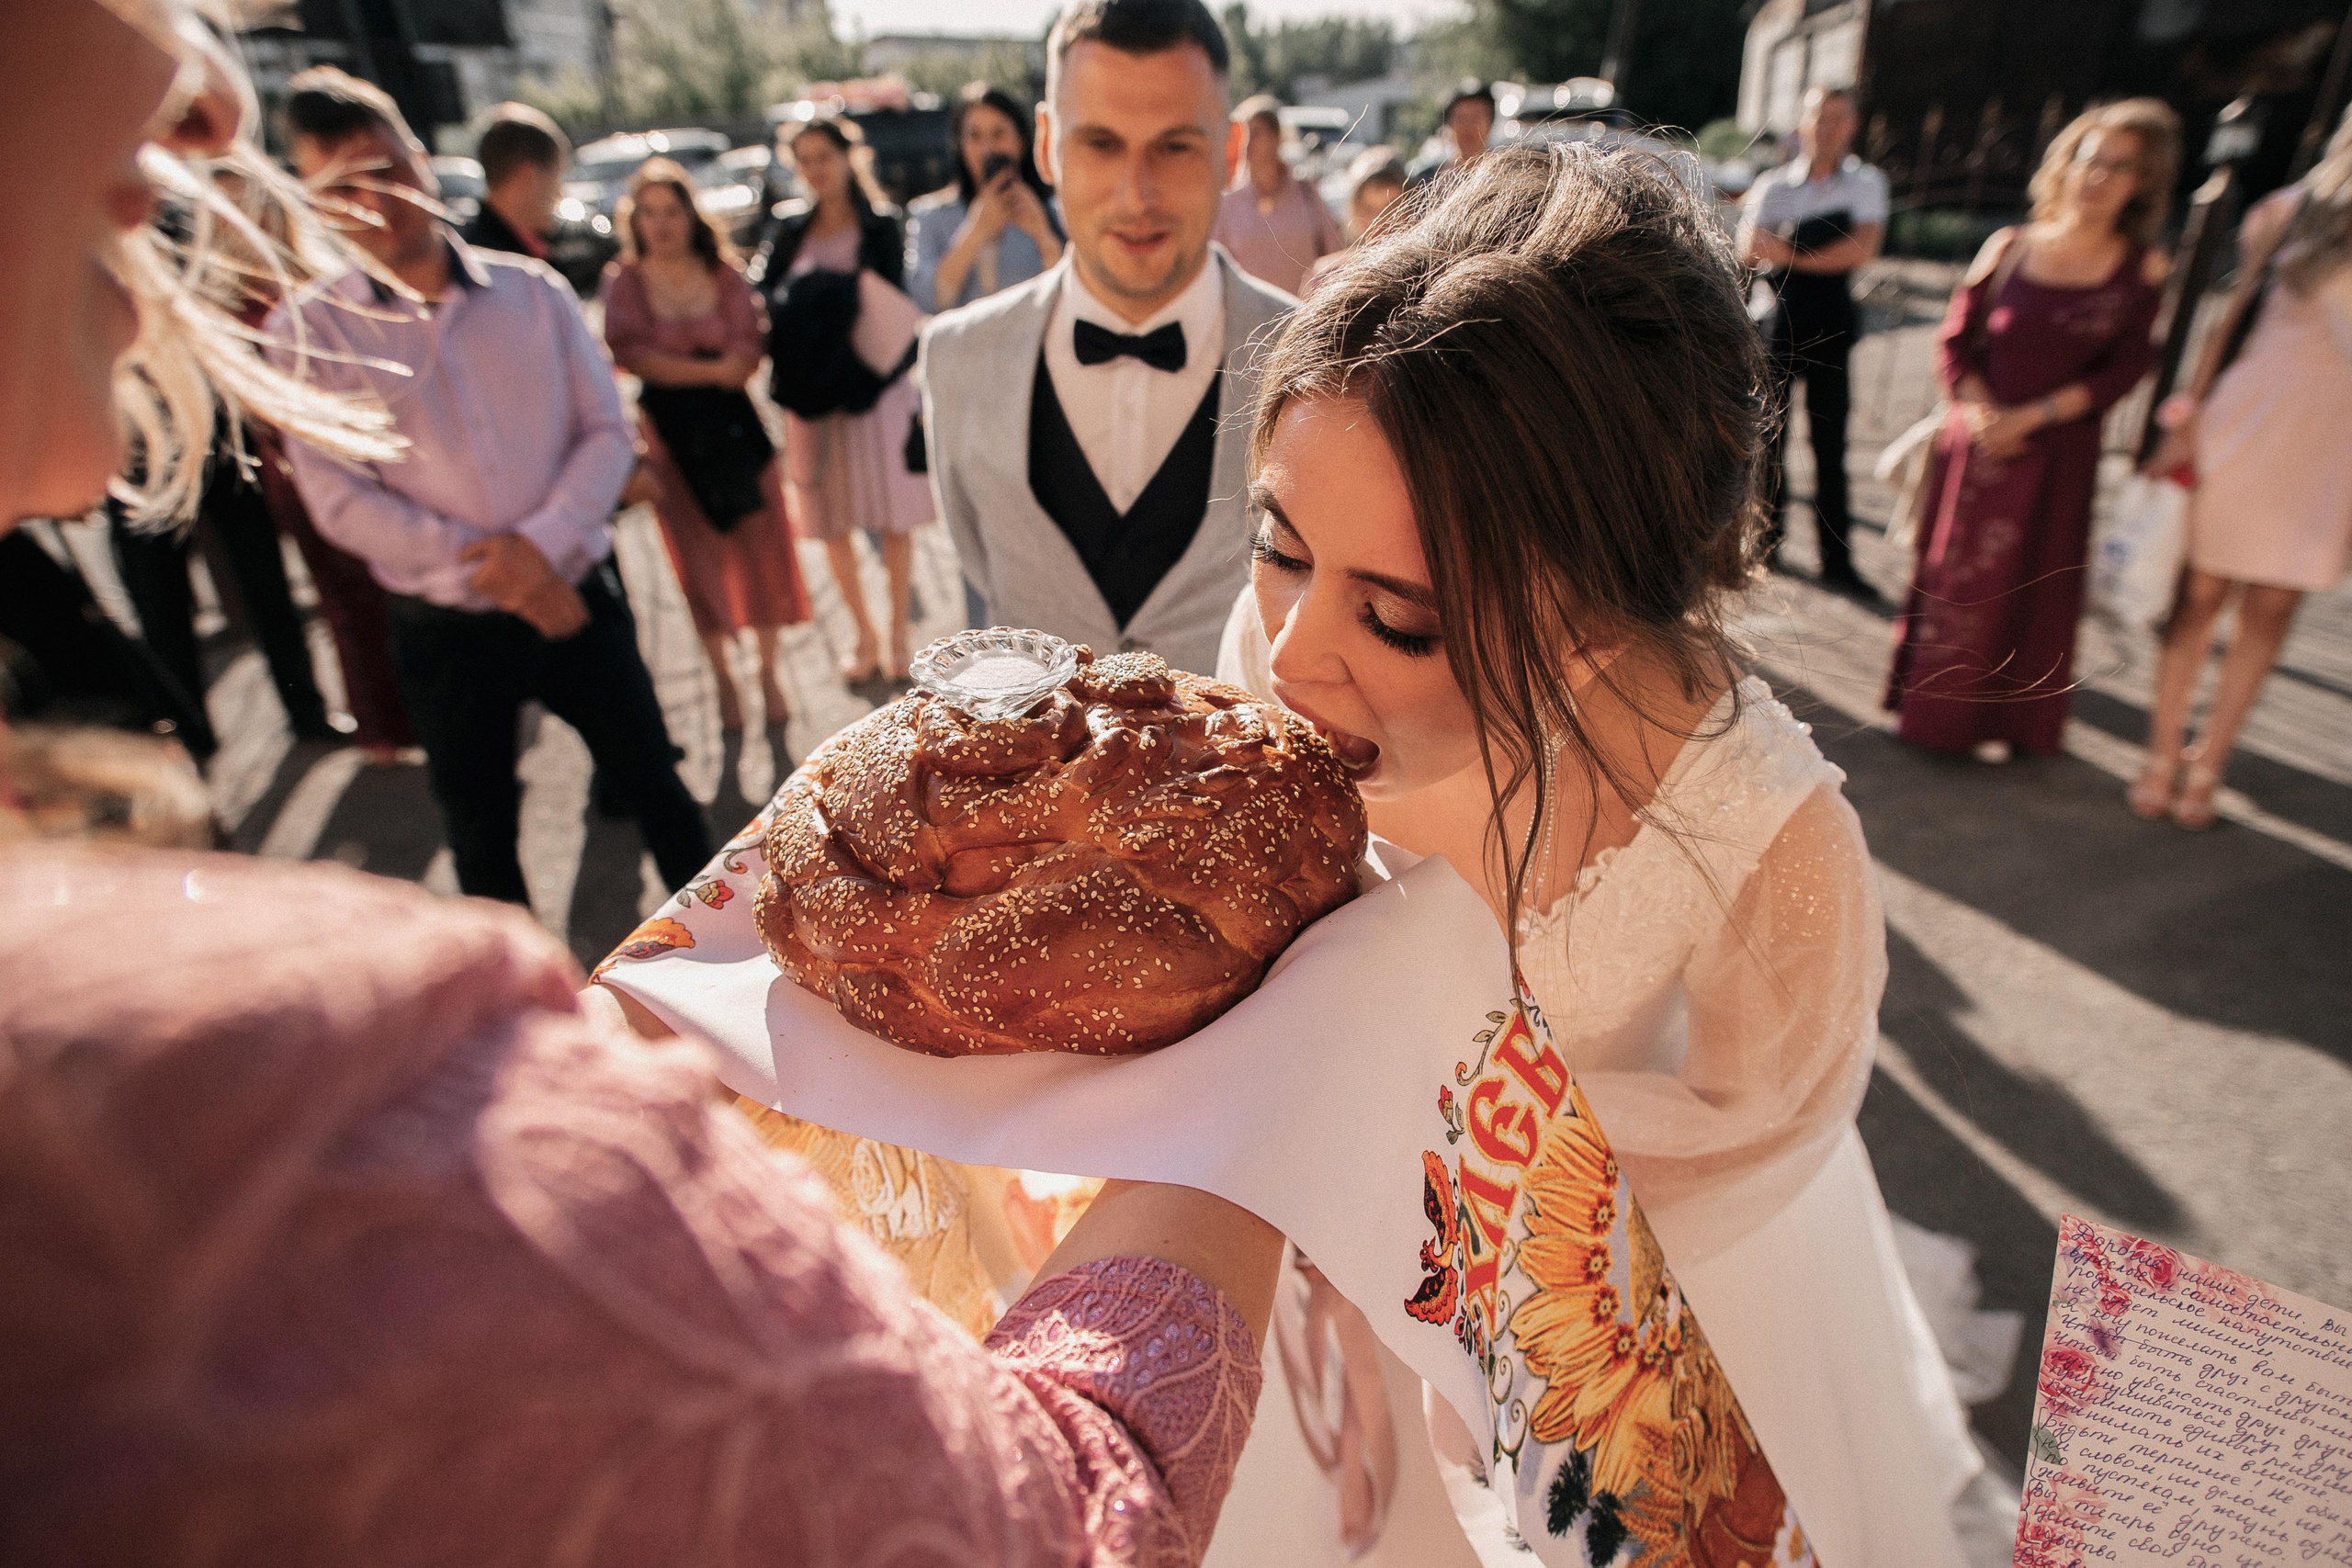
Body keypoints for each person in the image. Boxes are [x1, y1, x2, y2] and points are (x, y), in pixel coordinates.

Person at [0, 7, 1281, 1563]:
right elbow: (1045, 1515)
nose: (209, 94)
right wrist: (1251, 1114)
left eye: (1178, 145)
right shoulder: (295, 1107)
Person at [1217, 141, 1987, 1566]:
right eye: (1279, 546)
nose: (1288, 653)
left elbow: (1756, 1137)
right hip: (1306, 1301)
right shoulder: (1290, 656)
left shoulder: (1766, 837)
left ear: (1592, 619)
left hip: (1640, 1322)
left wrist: (1430, 1196)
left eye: (1401, 621)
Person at [265, 66, 713, 907]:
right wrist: (499, 570)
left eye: (386, 171)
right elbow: (339, 500)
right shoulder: (308, 334)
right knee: (482, 844)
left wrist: (538, 554)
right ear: (314, 202)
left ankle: (740, 985)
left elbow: (607, 433)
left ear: (423, 162)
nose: (376, 201)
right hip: (446, 632)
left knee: (660, 792)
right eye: (343, 187)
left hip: (577, 597)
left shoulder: (534, 295)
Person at [920, 0, 1294, 678]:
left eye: (1175, 146)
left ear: (1231, 152)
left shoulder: (1317, 358)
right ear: (1045, 145)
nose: (1135, 194)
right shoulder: (956, 358)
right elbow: (980, 577)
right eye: (1100, 143)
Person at [1886, 99, 2176, 761]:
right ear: (2066, 164)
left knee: (2034, 595)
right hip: (1980, 449)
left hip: (2058, 455)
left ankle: (2015, 728)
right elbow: (1956, 341)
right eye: (2089, 159)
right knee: (1958, 588)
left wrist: (2035, 417)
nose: (2098, 177)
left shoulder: (2140, 270)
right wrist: (1984, 413)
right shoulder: (2010, 247)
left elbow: (2126, 367)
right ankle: (1937, 721)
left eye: (2120, 167)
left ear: (2143, 182)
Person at [2135, 106, 2352, 829]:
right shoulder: (2287, 214)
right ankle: (2163, 751)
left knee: (2274, 606)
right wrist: (2186, 418)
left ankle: (2212, 757)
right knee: (2200, 596)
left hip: (2333, 447)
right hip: (2249, 422)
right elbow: (2230, 323)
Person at [604, 158, 810, 734]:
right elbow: (631, 355)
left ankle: (768, 672)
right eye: (649, 213)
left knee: (763, 547)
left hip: (738, 430)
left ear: (690, 214)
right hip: (670, 437)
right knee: (696, 558)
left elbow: (750, 352)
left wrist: (705, 369)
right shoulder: (625, 280)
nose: (662, 224)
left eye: (671, 211)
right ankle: (723, 677)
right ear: (635, 220)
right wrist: (711, 371)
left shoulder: (723, 272)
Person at [751, 113, 930, 682]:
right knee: (831, 522)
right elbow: (759, 300)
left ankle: (899, 634)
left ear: (848, 157)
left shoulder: (881, 226)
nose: (815, 169)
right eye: (804, 159)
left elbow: (898, 308)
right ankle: (863, 635)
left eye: (823, 155)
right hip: (812, 398)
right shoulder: (786, 229)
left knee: (892, 516)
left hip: (874, 392)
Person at [1738, 85, 1889, 598]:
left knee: (1830, 444)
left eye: (1837, 119)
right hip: (1778, 318)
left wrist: (1790, 252)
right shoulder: (1774, 184)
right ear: (1802, 123)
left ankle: (1837, 562)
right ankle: (1763, 544)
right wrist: (1808, 251)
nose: (1826, 128)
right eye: (1817, 118)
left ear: (1852, 125)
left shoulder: (1867, 183)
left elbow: (1862, 248)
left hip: (1830, 319)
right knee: (1768, 439)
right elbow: (1748, 248)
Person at [106, 425, 338, 747]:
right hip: (135, 459)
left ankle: (307, 712)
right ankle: (190, 736)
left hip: (217, 437)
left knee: (268, 589)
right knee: (161, 610)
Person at [905, 82, 1066, 313]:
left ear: (1021, 141)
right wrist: (976, 232)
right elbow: (926, 301)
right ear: (960, 145)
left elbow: (1069, 297)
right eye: (975, 136)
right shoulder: (930, 214)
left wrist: (1043, 235)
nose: (988, 149)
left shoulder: (1055, 213)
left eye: (998, 134)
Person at [1214, 96, 1344, 296]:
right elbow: (1217, 269)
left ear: (1276, 137)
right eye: (1241, 135)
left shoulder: (1305, 190)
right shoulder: (1229, 200)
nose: (1247, 143)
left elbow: (1335, 251)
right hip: (1251, 320)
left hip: (1304, 316)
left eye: (1256, 133)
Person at [461, 101, 568, 263]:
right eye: (556, 178)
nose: (561, 193)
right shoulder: (490, 263)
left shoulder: (467, 250)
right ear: (529, 177)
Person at [1300, 145, 1406, 296]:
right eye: (1368, 209)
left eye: (1390, 208)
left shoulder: (1424, 275)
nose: (1380, 220)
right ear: (1353, 210)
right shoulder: (1326, 276)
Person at [1406, 82, 1493, 186]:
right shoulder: (1427, 180)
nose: (1469, 126)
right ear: (1449, 124)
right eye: (1462, 118)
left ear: (1490, 122)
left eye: (1476, 117)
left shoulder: (1508, 177)